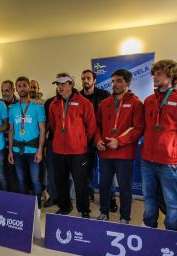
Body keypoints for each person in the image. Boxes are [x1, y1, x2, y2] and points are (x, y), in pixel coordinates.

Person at [95, 69, 144, 224]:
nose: (114, 84)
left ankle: (125, 217)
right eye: (113, 81)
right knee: (104, 186)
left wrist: (119, 142)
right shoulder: (104, 103)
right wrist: (97, 140)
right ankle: (104, 212)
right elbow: (97, 125)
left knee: (125, 188)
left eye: (119, 81)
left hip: (124, 154)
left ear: (127, 83)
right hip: (105, 154)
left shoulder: (136, 103)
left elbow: (138, 128)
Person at [49, 73, 96, 217]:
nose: (60, 87)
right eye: (58, 84)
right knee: (61, 182)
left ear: (71, 84)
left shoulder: (84, 103)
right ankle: (64, 207)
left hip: (78, 151)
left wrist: (80, 141)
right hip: (58, 151)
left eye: (63, 84)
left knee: (80, 183)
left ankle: (83, 210)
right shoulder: (53, 104)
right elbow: (53, 125)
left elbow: (91, 127)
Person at [141, 59, 177, 231]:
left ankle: (171, 233)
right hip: (147, 159)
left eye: (159, 73)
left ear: (170, 76)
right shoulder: (149, 100)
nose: (154, 77)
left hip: (169, 161)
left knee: (172, 201)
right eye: (154, 74)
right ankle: (149, 228)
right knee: (148, 197)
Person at [79, 69, 118, 212]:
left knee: (107, 172)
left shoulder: (105, 95)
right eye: (83, 78)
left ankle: (111, 198)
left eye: (88, 78)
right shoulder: (77, 96)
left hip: (103, 139)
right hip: (86, 140)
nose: (85, 81)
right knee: (86, 170)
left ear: (94, 80)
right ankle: (89, 194)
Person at [8, 76, 46, 208]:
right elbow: (11, 131)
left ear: (29, 87)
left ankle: (38, 207)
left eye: (25, 85)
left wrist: (40, 151)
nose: (22, 88)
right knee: (21, 179)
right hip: (18, 151)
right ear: (16, 89)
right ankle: (25, 207)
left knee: (35, 180)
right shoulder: (12, 109)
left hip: (33, 150)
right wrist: (10, 151)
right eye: (19, 86)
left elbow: (42, 130)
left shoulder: (38, 107)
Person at [0, 80, 19, 192]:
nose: (4, 93)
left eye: (7, 90)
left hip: (15, 145)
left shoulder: (19, 104)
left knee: (14, 174)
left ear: (13, 90)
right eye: (2, 90)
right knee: (3, 174)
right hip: (1, 145)